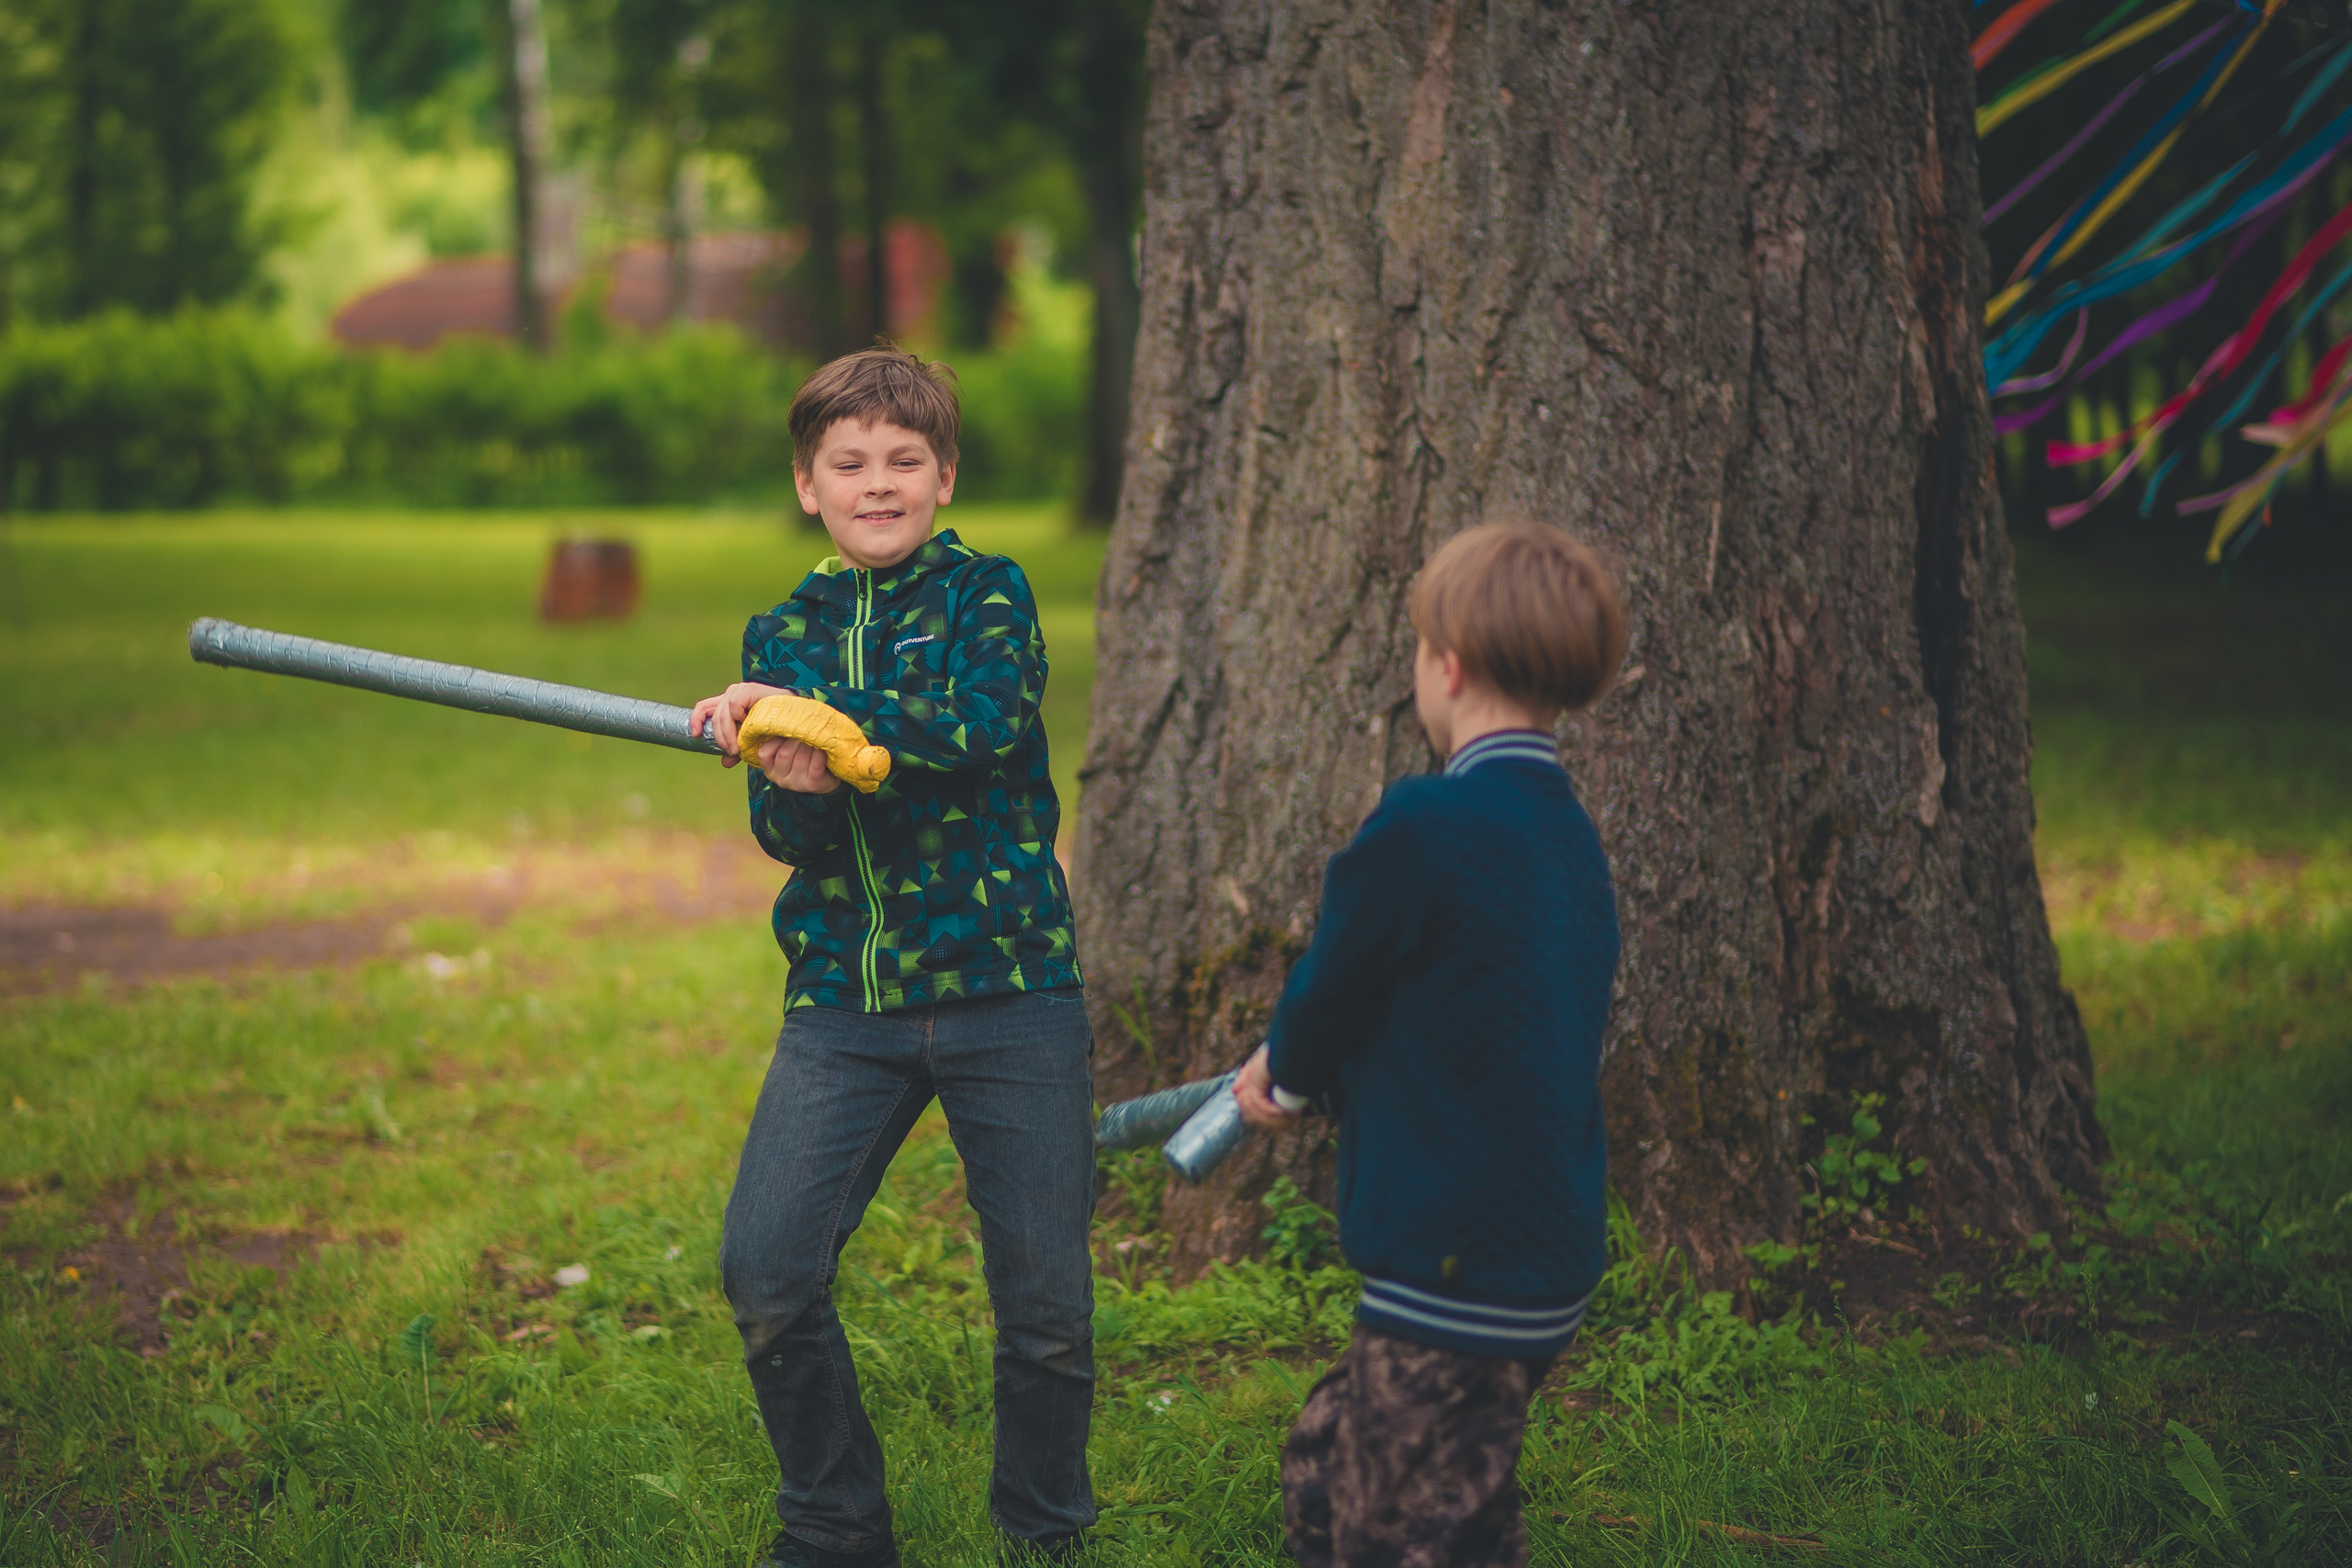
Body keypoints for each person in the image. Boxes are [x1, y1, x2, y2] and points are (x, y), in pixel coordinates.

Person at [690, 345, 1093, 1568]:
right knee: (767, 1268)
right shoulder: (788, 628)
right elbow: (790, 833)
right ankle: (833, 1520)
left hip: (1009, 992)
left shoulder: (991, 593)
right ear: (808, 484)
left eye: (903, 460)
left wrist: (821, 721)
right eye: (849, 462)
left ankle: (1043, 1530)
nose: (878, 482)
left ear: (944, 475)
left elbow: (980, 726)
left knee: (1045, 1308)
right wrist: (786, 760)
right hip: (846, 1005)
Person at [1233, 520, 1627, 1568]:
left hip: (1456, 1257)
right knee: (1331, 1462)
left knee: (1402, 1530)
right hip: (1541, 1252)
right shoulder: (1568, 838)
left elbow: (1337, 983)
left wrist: (1289, 1070)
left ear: (1445, 666)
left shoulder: (1422, 824)